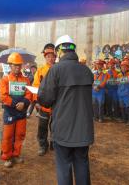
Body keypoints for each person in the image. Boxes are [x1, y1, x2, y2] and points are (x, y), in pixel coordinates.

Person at [38, 35, 94, 185]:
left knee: (64, 168)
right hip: (84, 130)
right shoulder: (87, 71)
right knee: (82, 164)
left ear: (59, 51)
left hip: (63, 130)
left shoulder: (55, 70)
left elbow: (44, 99)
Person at [0, 52, 32, 168]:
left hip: (22, 113)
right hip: (10, 112)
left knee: (20, 135)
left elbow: (29, 94)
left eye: (19, 65)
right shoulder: (5, 79)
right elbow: (3, 96)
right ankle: (7, 157)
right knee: (8, 136)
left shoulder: (26, 80)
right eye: (15, 65)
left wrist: (24, 103)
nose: (17, 67)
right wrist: (14, 104)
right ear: (10, 65)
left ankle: (16, 155)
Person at [32, 43, 56, 156]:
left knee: (55, 126)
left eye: (52, 56)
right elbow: (35, 86)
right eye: (48, 56)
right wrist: (36, 101)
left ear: (55, 57)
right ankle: (42, 145)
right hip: (43, 105)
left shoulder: (59, 69)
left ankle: (54, 143)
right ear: (45, 57)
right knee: (42, 126)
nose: (50, 58)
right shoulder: (40, 71)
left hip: (56, 104)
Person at [117, 61, 129, 125]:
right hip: (120, 94)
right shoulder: (119, 75)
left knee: (128, 107)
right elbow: (117, 83)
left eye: (125, 67)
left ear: (128, 68)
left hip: (127, 94)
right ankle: (124, 119)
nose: (123, 68)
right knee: (122, 107)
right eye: (122, 67)